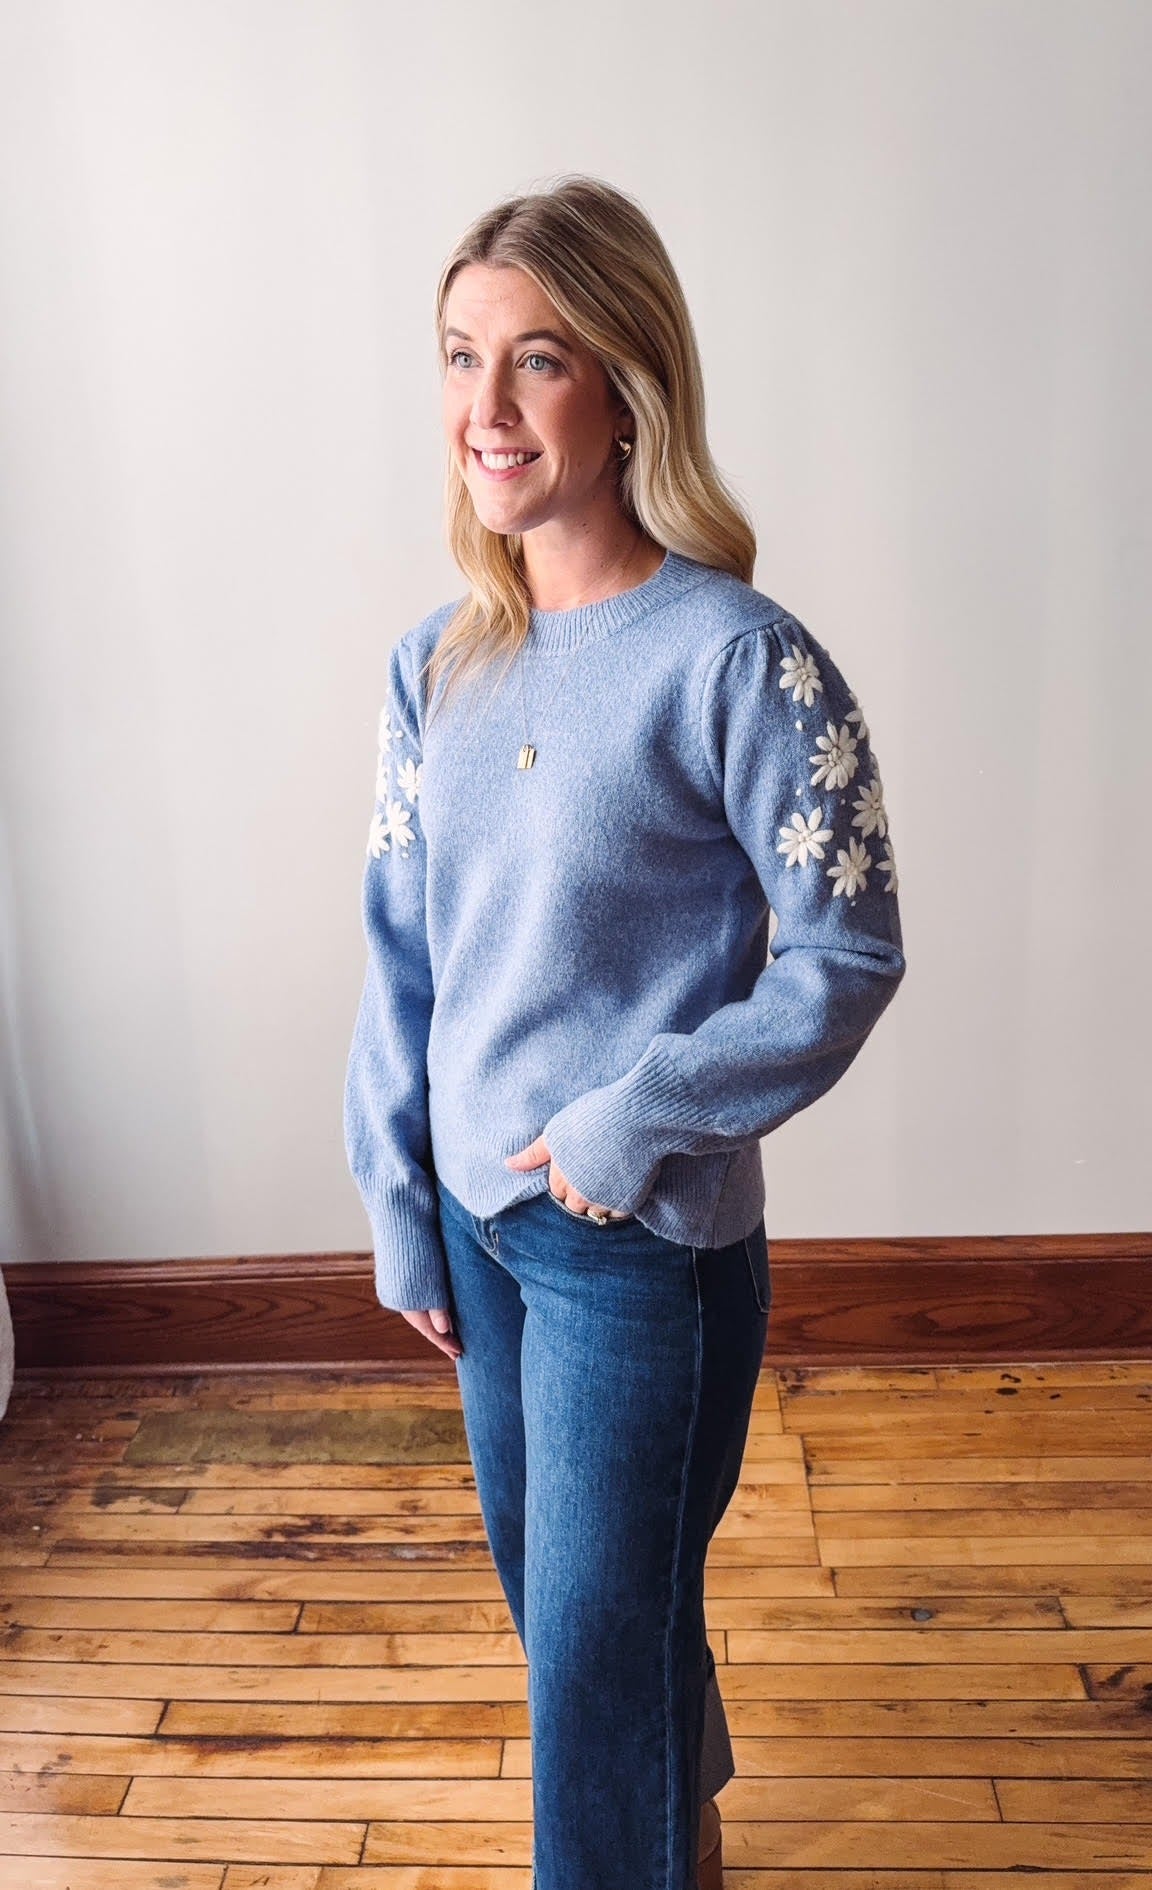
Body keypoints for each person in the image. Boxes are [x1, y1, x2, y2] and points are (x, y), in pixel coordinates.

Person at [344, 173, 906, 1890]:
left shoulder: (743, 661)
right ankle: (687, 1820)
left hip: (630, 1239)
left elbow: (846, 951)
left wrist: (626, 1121)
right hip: (482, 1231)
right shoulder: (434, 665)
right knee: (573, 1603)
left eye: (538, 361)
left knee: (590, 1643)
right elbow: (401, 953)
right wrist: (399, 1196)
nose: (485, 409)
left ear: (627, 383)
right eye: (460, 358)